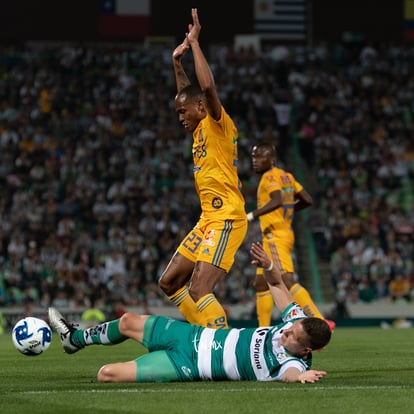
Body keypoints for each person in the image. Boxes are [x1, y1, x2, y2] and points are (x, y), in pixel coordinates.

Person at [48, 241, 331, 384]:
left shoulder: (291, 364)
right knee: (127, 321)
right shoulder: (295, 322)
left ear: (306, 351)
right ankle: (74, 339)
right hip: (192, 335)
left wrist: (302, 378)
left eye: (293, 336)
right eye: (292, 327)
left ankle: (78, 342)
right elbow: (277, 285)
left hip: (190, 365)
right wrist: (269, 265)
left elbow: (291, 375)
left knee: (106, 374)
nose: (286, 332)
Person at [157, 8, 247, 329]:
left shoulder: (217, 123)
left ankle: (219, 346)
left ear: (198, 109)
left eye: (183, 113)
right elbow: (188, 94)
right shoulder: (197, 128)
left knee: (199, 288)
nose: (180, 118)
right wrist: (176, 63)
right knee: (170, 282)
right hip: (207, 219)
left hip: (227, 218)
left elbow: (205, 90)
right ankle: (202, 334)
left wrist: (194, 43)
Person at [247, 142, 334, 330]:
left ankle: (320, 321)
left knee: (286, 280)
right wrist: (290, 209)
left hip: (274, 236)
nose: (255, 161)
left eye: (260, 157)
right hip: (283, 233)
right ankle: (262, 330)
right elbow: (307, 200)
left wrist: (252, 215)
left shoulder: (269, 177)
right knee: (261, 283)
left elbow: (277, 199)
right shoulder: (287, 176)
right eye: (253, 157)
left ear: (271, 160)